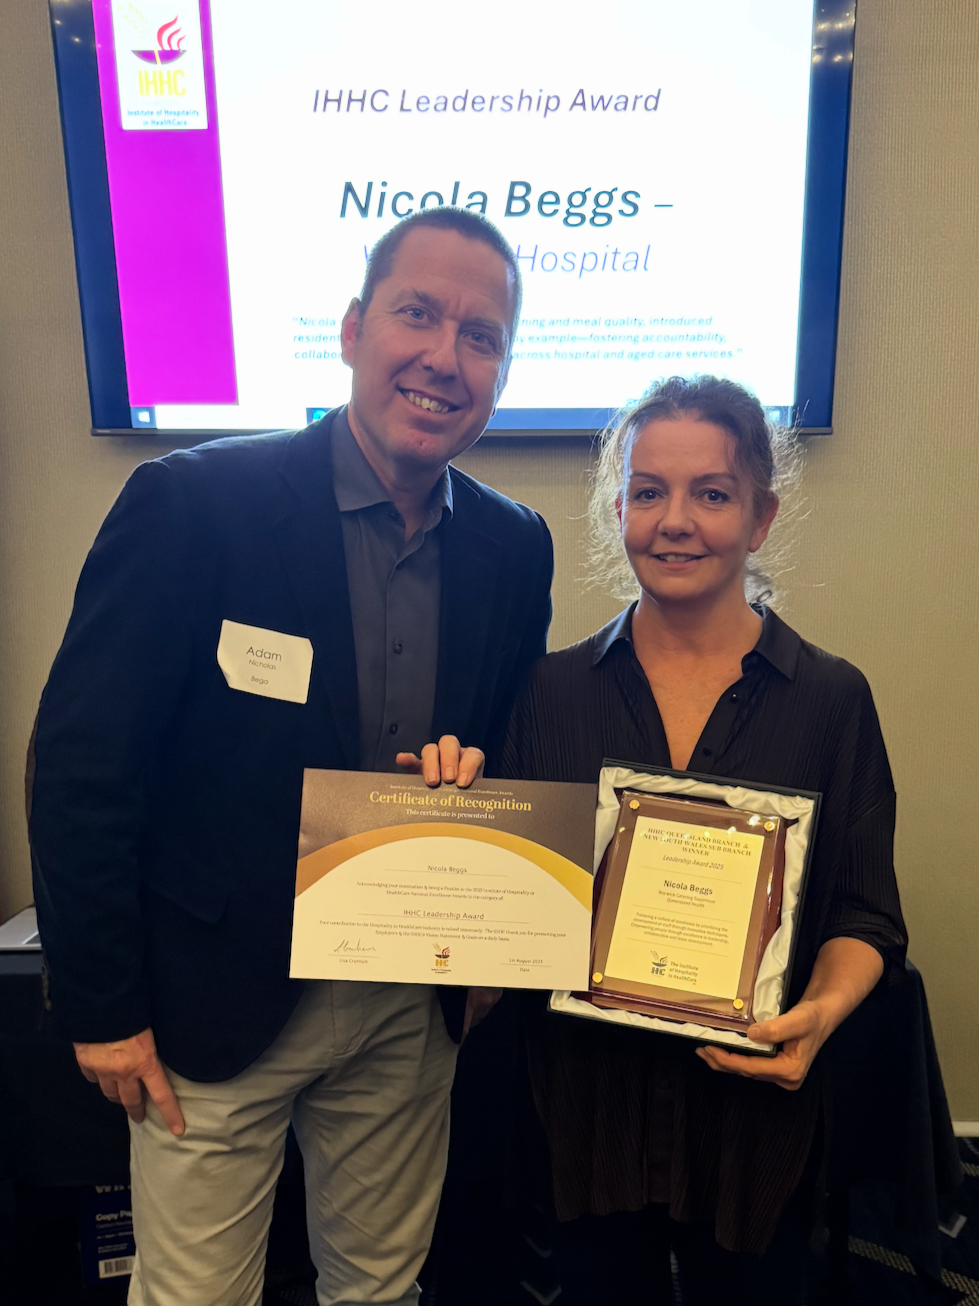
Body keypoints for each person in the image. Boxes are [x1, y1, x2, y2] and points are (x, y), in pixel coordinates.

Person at [28, 208, 553, 1306]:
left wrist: (487, 948)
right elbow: (84, 766)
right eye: (418, 314)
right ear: (354, 329)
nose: (445, 357)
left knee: (381, 1291)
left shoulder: (513, 545)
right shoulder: (192, 504)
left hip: (407, 1000)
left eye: (481, 336)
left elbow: (506, 750)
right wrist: (100, 1005)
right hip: (209, 1005)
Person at [500, 375, 906, 1306]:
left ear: (760, 518)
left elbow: (864, 915)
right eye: (648, 492)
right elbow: (514, 902)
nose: (674, 521)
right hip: (588, 1111)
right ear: (618, 511)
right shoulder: (549, 692)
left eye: (711, 494)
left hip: (752, 1116)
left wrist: (819, 1015)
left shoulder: (830, 700)